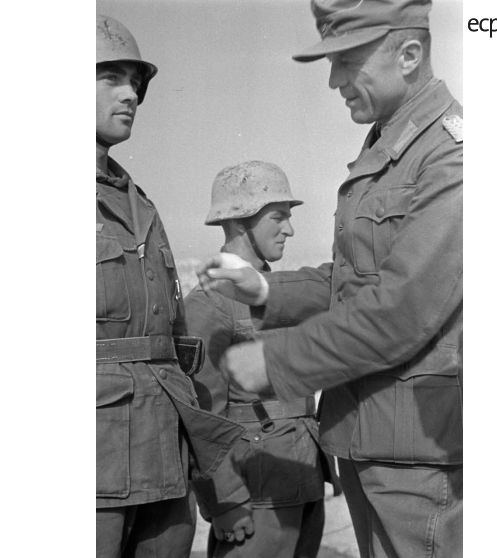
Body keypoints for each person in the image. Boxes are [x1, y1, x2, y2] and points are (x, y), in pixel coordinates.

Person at [197, 1, 463, 557]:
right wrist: (269, 290)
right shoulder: (394, 148)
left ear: (409, 55)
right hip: (375, 440)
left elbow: (401, 308)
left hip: (420, 454)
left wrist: (274, 363)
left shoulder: (451, 158)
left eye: (347, 61)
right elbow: (354, 279)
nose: (334, 80)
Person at [96, 15, 244, 558]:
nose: (131, 93)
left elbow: (181, 354)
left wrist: (219, 492)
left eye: (135, 82)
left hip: (163, 462)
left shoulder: (140, 205)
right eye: (110, 77)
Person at [184, 161, 331, 558]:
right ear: (238, 222)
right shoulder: (210, 302)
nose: (290, 229)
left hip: (301, 477)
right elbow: (201, 414)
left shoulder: (280, 294)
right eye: (278, 217)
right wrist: (225, 501)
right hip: (255, 494)